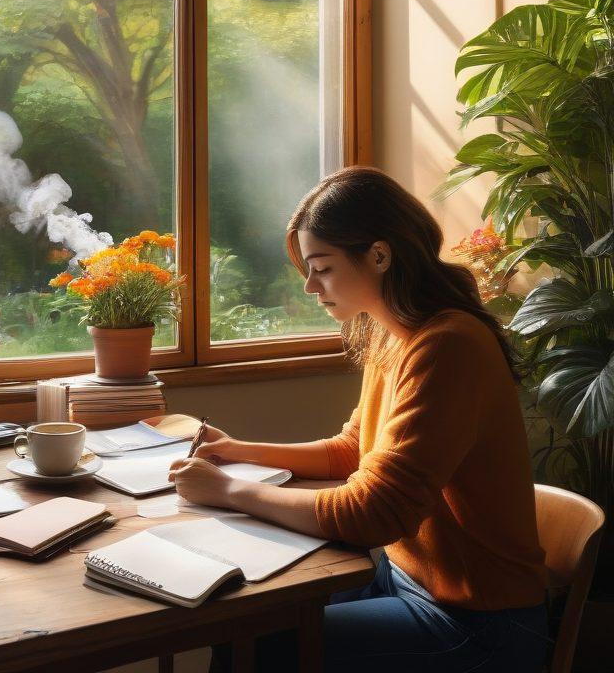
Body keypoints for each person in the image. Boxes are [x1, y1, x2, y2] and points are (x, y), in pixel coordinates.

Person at [170, 166, 551, 673]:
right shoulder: (392, 334)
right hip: (403, 579)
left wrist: (228, 491)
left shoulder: (449, 345)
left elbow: (374, 514)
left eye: (322, 267)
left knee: (252, 648)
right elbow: (354, 449)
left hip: (477, 622)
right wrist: (239, 450)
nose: (309, 286)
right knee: (255, 620)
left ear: (379, 255)